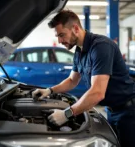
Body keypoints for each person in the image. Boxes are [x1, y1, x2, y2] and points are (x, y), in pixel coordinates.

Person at [32, 10, 135, 147]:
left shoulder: (100, 47)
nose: (60, 41)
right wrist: (49, 91)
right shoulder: (79, 51)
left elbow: (98, 92)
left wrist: (67, 114)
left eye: (62, 35)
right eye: (58, 36)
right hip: (112, 111)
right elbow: (72, 80)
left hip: (129, 113)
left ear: (75, 28)